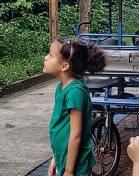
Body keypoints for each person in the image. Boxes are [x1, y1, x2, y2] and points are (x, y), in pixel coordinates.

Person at [43, 38, 106, 176]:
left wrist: (70, 171)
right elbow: (62, 126)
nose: (46, 58)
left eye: (51, 55)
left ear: (64, 66)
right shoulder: (61, 87)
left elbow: (76, 134)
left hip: (75, 167)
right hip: (64, 160)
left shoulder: (74, 92)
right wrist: (56, 158)